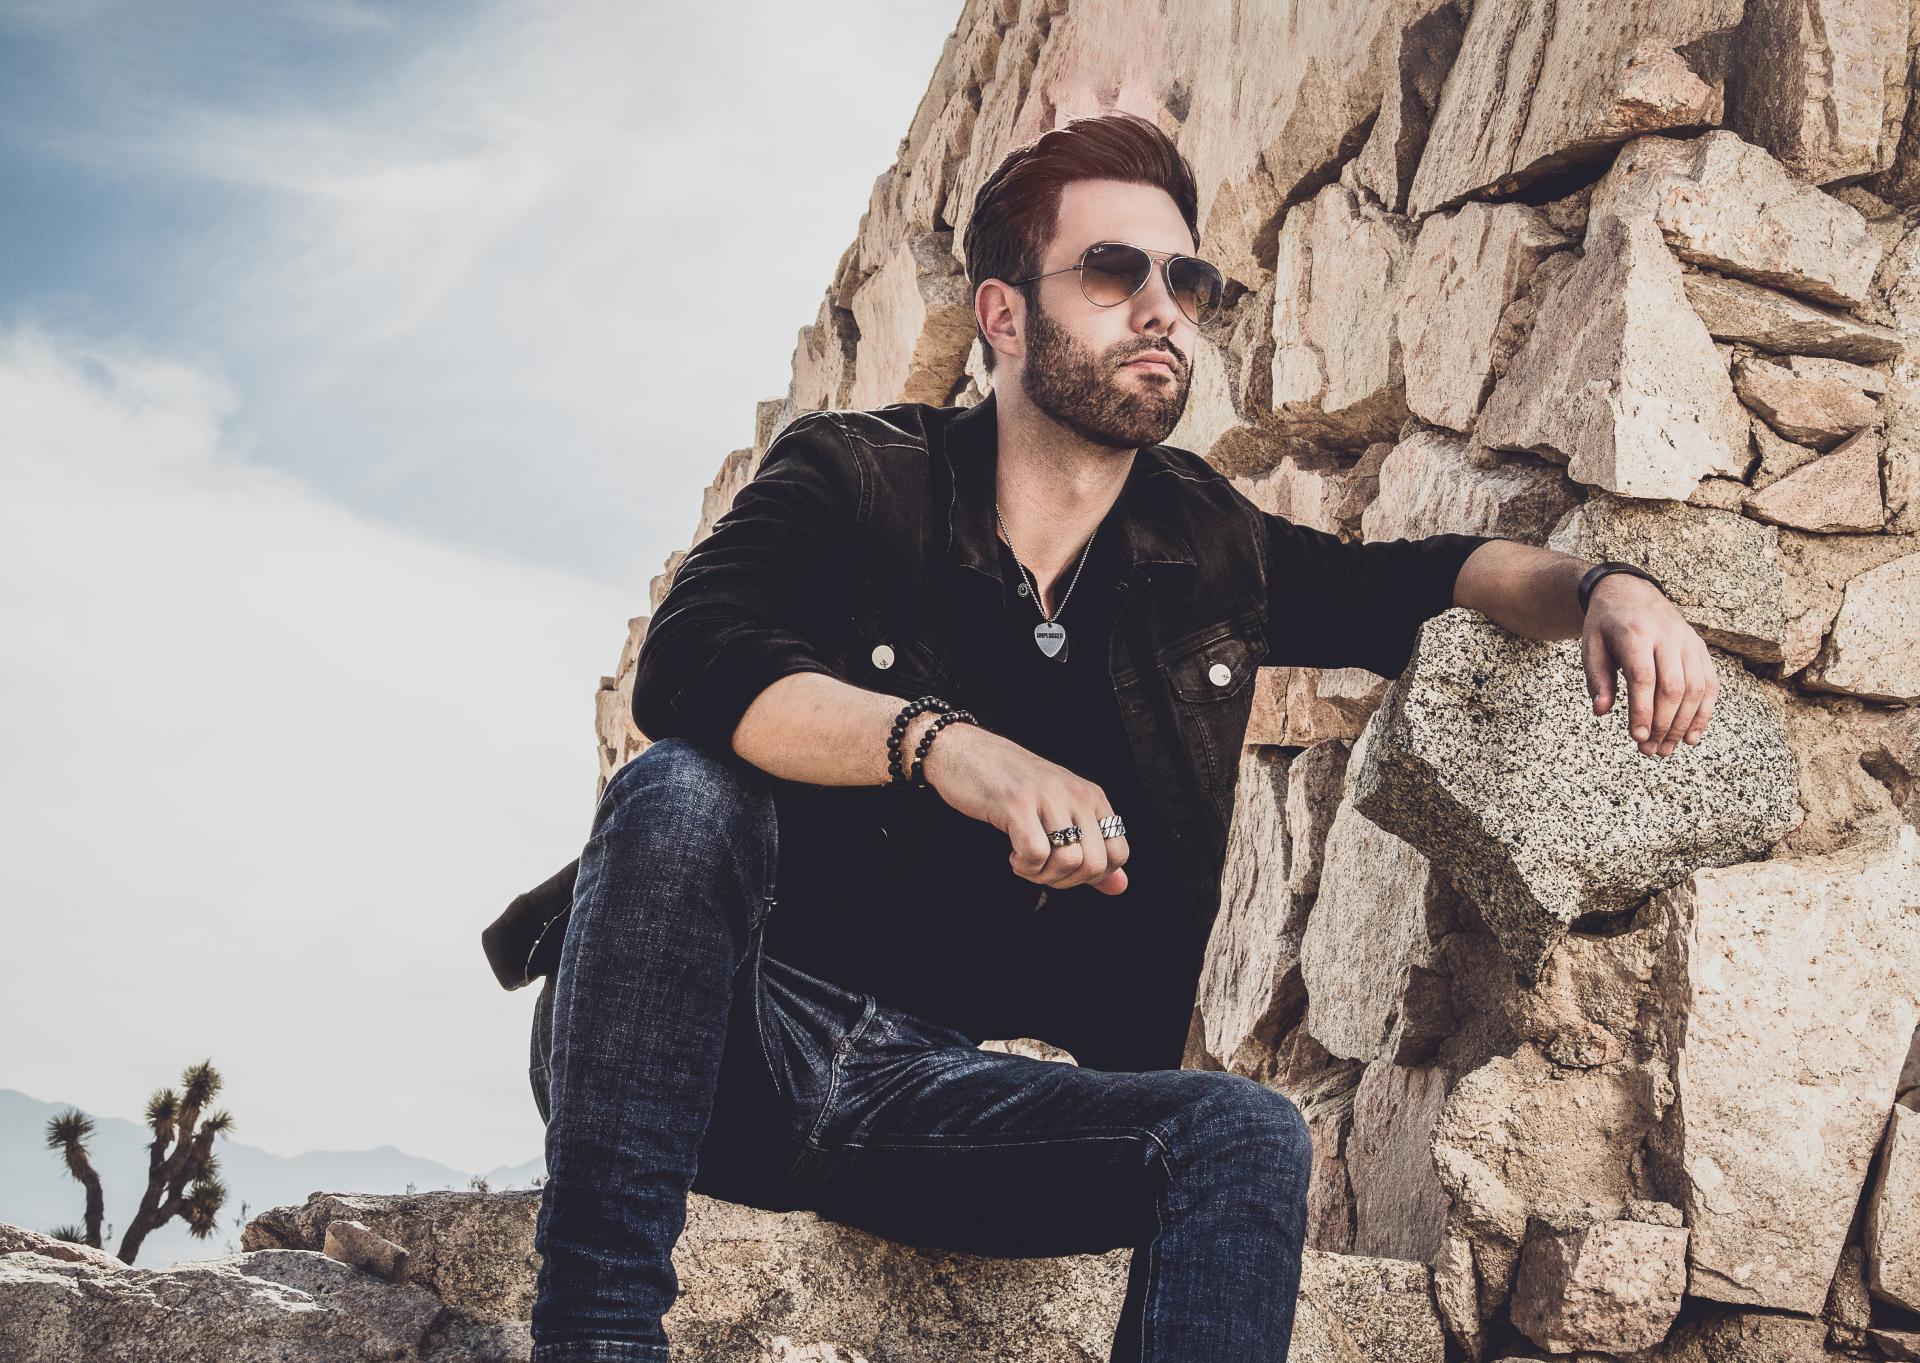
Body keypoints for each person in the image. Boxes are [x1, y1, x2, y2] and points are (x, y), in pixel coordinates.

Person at [522, 111, 1718, 1362]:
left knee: (1248, 1135)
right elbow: (691, 663)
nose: (1164, 306)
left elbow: (1416, 579)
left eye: (1185, 280)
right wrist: (950, 749)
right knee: (677, 793)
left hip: (930, 1097)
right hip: (725, 1033)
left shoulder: (1202, 549)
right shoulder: (854, 474)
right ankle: (596, 1339)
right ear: (1000, 316)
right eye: (1113, 271)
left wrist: (1604, 588)